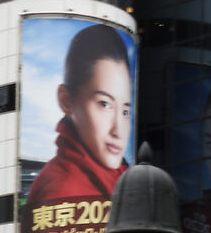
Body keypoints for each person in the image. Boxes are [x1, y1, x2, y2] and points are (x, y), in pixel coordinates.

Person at [25, 23, 131, 207]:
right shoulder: (60, 189)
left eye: (125, 111)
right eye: (104, 104)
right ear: (66, 100)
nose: (118, 130)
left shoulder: (121, 179)